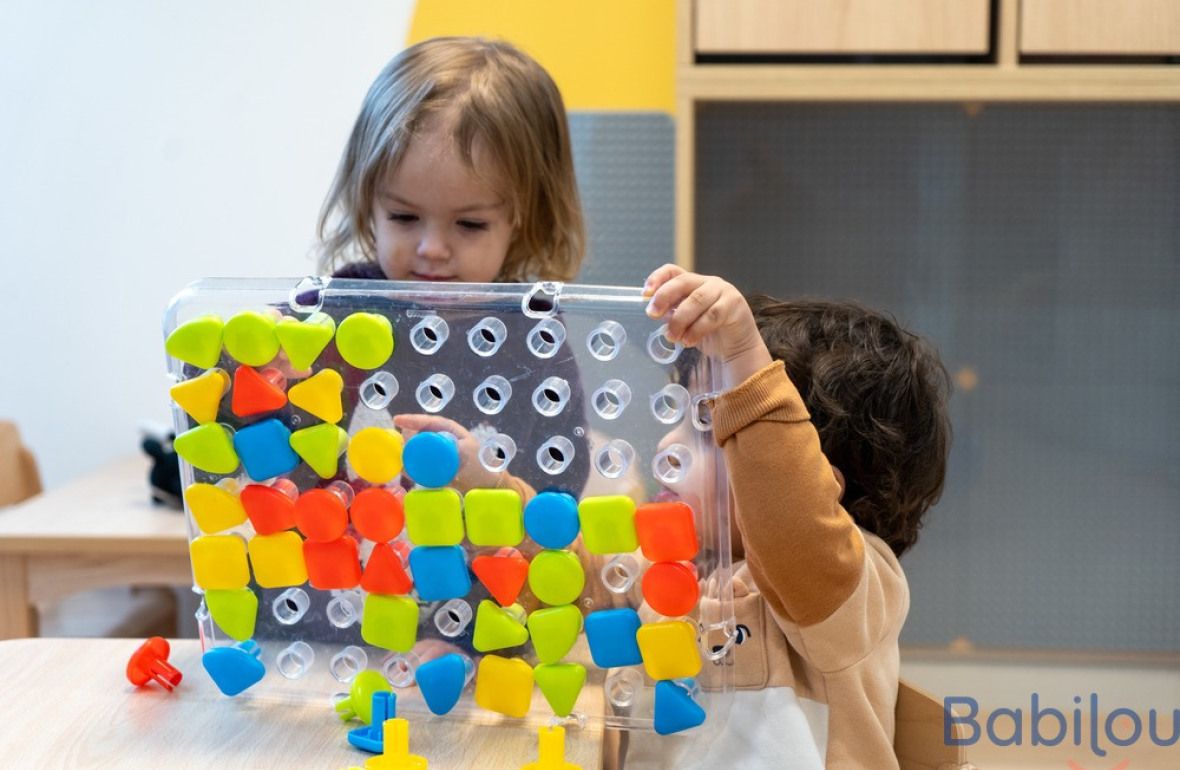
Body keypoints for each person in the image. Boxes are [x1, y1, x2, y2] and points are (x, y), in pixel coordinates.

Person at [620, 265, 952, 769]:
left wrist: (742, 359)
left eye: (708, 427)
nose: (667, 445)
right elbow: (583, 587)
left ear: (818, 486)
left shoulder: (840, 583)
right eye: (681, 417)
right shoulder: (682, 561)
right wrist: (487, 483)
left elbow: (789, 521)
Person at [312, 36, 590, 496]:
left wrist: (489, 486)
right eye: (403, 217)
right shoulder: (340, 313)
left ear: (521, 218)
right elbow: (290, 452)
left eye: (469, 224)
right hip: (354, 559)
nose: (433, 247)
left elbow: (562, 484)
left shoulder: (533, 330)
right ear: (368, 201)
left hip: (484, 563)